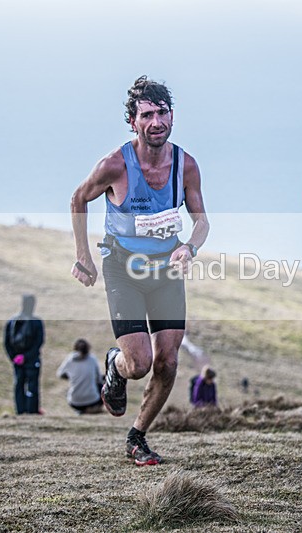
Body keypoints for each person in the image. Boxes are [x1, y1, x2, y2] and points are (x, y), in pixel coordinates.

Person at [70, 76, 210, 466]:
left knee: (168, 361)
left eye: (162, 112)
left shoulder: (186, 165)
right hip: (123, 268)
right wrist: (85, 256)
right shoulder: (115, 164)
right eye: (146, 114)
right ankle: (116, 363)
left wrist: (189, 246)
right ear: (132, 121)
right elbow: (78, 199)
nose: (156, 121)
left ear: (172, 116)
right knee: (140, 364)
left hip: (166, 268)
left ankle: (137, 437)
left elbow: (202, 221)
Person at [3, 294, 45, 415]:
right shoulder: (36, 322)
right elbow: (39, 342)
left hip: (17, 359)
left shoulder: (12, 321)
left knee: (19, 384)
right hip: (32, 359)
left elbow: (6, 342)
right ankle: (31, 410)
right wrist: (27, 356)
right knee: (32, 385)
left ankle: (20, 410)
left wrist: (14, 357)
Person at [57, 339, 104, 414]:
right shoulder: (92, 359)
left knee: (69, 390)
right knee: (102, 385)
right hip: (93, 401)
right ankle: (93, 408)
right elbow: (99, 379)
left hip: (74, 402)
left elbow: (59, 374)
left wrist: (71, 377)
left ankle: (81, 410)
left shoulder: (70, 359)